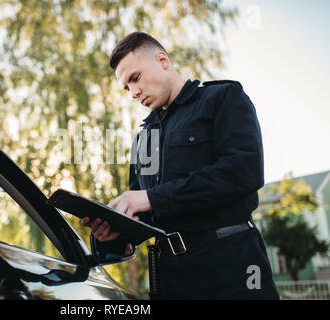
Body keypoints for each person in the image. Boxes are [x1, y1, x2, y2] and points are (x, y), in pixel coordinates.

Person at [81, 32, 279, 299]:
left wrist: (152, 197)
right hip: (171, 278)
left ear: (162, 60)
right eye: (127, 88)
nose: (133, 93)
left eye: (135, 78)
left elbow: (243, 172)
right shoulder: (143, 138)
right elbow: (145, 217)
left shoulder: (222, 98)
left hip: (232, 267)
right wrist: (116, 233)